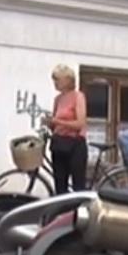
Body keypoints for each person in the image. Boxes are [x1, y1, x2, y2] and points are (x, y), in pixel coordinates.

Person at [49, 64, 88, 194]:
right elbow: (55, 123)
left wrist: (58, 121)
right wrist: (50, 123)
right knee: (60, 184)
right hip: (59, 144)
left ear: (68, 80)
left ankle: (79, 212)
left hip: (75, 144)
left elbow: (80, 123)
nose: (55, 83)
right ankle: (62, 213)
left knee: (78, 185)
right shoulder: (57, 99)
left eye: (57, 79)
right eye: (54, 80)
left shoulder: (78, 97)